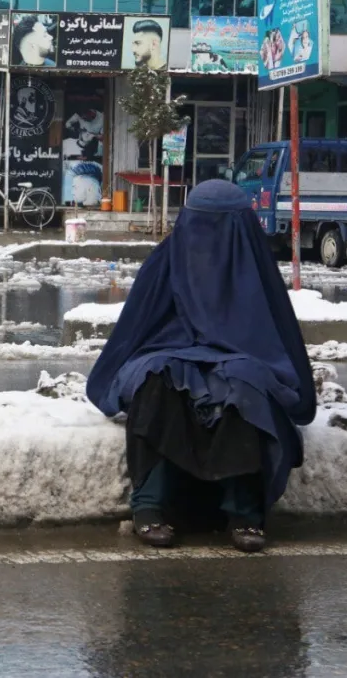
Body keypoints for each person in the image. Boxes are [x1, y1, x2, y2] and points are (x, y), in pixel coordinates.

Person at [86, 180, 316, 553]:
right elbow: (137, 331)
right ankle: (149, 505)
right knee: (158, 378)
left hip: (242, 355)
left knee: (244, 385)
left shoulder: (253, 270)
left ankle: (244, 511)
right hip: (168, 349)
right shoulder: (165, 263)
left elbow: (273, 340)